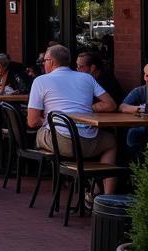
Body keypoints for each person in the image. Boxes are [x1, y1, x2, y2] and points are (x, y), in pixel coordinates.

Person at [27, 44, 120, 195]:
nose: (43, 64)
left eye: (44, 61)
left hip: (62, 143)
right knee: (111, 142)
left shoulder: (41, 81)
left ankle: (66, 179)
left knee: (38, 134)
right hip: (89, 141)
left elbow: (32, 122)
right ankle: (103, 197)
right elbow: (111, 104)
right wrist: (87, 109)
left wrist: (49, 121)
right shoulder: (87, 78)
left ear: (51, 62)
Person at [120, 62, 148, 159]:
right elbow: (122, 107)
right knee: (133, 132)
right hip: (142, 128)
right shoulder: (140, 91)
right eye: (147, 75)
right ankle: (134, 166)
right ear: (144, 77)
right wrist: (143, 109)